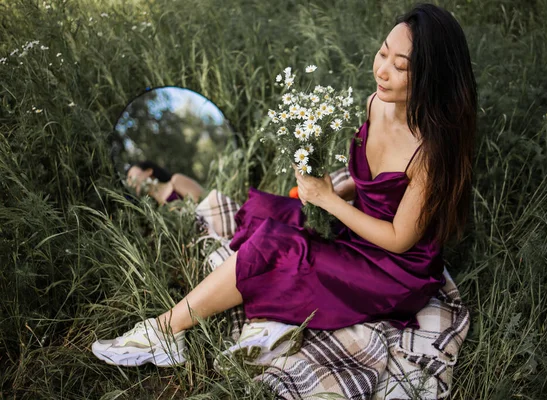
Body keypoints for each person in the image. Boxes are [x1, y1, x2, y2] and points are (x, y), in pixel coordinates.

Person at [92, 3, 477, 370]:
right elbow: (373, 188)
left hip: (393, 271)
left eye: (401, 66)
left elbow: (398, 239)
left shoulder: (429, 152)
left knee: (275, 245)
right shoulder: (376, 103)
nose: (383, 70)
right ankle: (222, 303)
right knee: (266, 212)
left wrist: (329, 200)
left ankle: (163, 331)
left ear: (431, 77)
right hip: (357, 229)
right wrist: (332, 190)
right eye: (382, 53)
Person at [125, 160, 206, 205]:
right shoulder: (154, 212)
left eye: (131, 177)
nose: (129, 183)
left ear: (148, 171)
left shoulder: (175, 181)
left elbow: (204, 201)